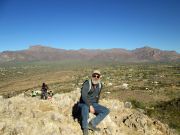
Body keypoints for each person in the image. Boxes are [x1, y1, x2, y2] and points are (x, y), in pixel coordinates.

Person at [78, 70, 110, 135]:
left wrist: (96, 106)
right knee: (85, 107)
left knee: (106, 110)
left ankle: (92, 123)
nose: (96, 77)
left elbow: (98, 96)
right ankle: (85, 128)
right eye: (94, 75)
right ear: (91, 76)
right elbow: (84, 96)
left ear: (99, 77)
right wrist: (90, 106)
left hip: (94, 104)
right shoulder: (87, 84)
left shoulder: (100, 85)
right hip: (83, 103)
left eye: (97, 76)